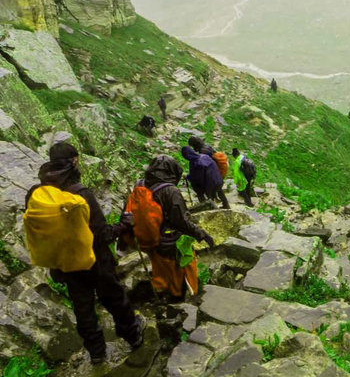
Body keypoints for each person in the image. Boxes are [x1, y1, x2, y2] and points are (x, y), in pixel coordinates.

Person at [25, 143, 143, 364]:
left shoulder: (38, 194)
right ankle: (133, 335)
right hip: (96, 260)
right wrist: (124, 225)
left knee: (83, 308)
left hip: (66, 263)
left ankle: (97, 353)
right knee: (114, 299)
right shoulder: (80, 193)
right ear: (75, 161)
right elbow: (103, 234)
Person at [126, 156, 215, 300]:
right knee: (179, 270)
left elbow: (128, 211)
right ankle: (177, 299)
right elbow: (180, 220)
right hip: (170, 240)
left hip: (149, 237)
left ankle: (161, 291)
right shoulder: (170, 191)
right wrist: (201, 234)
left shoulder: (140, 184)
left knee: (161, 267)